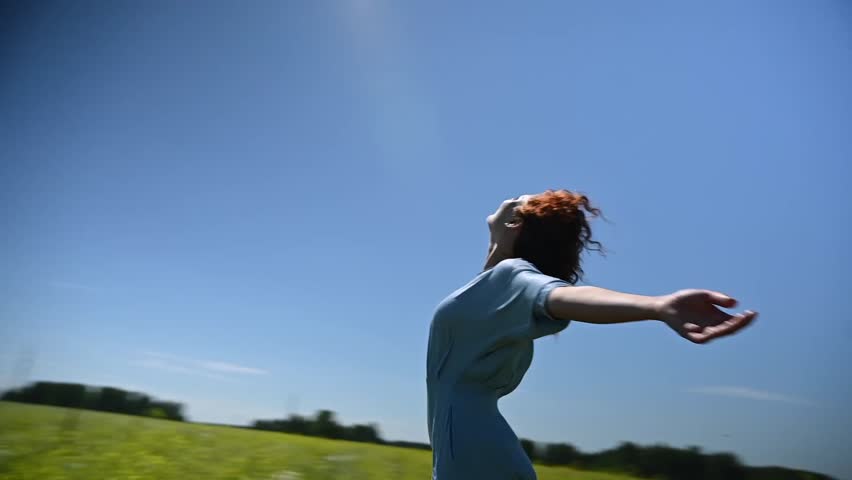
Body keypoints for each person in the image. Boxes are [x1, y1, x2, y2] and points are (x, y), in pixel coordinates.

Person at [425, 190, 757, 480]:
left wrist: (656, 306)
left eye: (522, 199)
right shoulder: (494, 295)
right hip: (479, 453)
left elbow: (559, 296)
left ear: (515, 222)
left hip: (476, 461)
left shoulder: (512, 278)